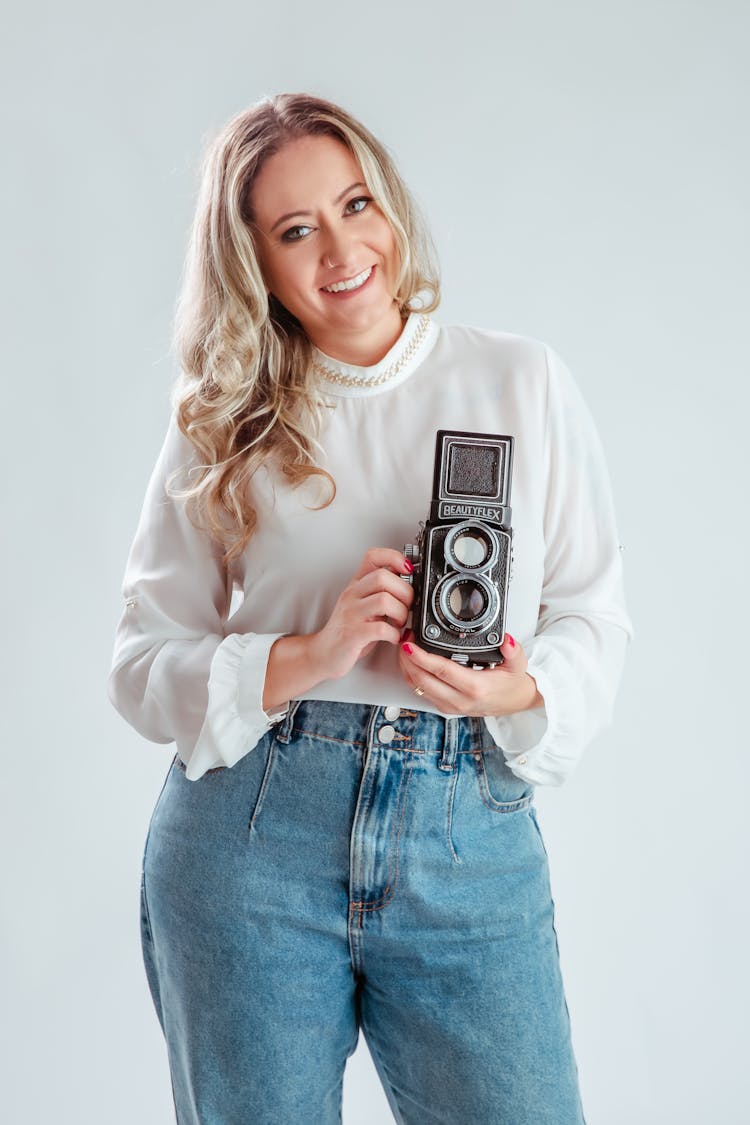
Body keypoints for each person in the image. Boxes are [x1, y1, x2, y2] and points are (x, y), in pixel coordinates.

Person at [108, 92, 632, 1125]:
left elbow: (592, 611)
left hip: (466, 828)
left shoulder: (516, 381)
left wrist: (519, 690)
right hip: (250, 837)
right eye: (296, 230)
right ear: (251, 262)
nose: (342, 249)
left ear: (389, 207)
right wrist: (308, 654)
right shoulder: (223, 417)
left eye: (357, 205)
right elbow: (138, 659)